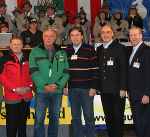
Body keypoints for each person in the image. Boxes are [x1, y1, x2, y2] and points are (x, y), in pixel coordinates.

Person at [29, 27, 70, 137]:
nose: (48, 38)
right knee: (39, 119)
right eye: (46, 36)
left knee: (55, 119)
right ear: (42, 37)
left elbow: (66, 71)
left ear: (55, 37)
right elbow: (33, 71)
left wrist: (58, 85)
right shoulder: (35, 51)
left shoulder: (62, 52)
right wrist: (44, 85)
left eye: (51, 36)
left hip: (57, 91)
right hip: (41, 91)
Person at [64, 26, 99, 137]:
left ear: (82, 36)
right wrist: (65, 85)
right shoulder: (67, 51)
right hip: (72, 89)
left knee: (89, 116)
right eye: (72, 35)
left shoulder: (89, 49)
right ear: (70, 37)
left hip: (87, 89)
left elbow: (95, 70)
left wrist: (94, 87)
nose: (75, 38)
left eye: (77, 35)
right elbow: (64, 70)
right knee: (75, 117)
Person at [97, 25, 127, 137]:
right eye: (103, 32)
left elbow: (124, 70)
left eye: (108, 32)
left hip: (117, 90)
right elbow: (99, 69)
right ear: (100, 35)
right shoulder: (99, 49)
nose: (105, 34)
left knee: (118, 117)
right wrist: (99, 87)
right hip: (104, 90)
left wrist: (123, 88)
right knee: (108, 117)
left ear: (112, 34)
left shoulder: (120, 48)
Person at [0, 36, 33, 137]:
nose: (17, 46)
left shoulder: (29, 58)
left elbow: (34, 74)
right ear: (10, 46)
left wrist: (29, 86)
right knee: (11, 126)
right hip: (12, 97)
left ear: (22, 45)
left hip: (26, 97)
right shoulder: (4, 59)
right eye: (14, 44)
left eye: (19, 44)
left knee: (22, 126)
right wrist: (14, 88)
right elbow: (2, 77)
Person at [128, 26, 150, 137]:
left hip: (143, 96)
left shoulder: (146, 51)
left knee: (144, 125)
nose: (133, 37)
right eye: (131, 35)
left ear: (141, 35)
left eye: (135, 35)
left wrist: (147, 94)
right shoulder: (132, 51)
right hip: (133, 95)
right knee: (138, 124)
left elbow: (148, 74)